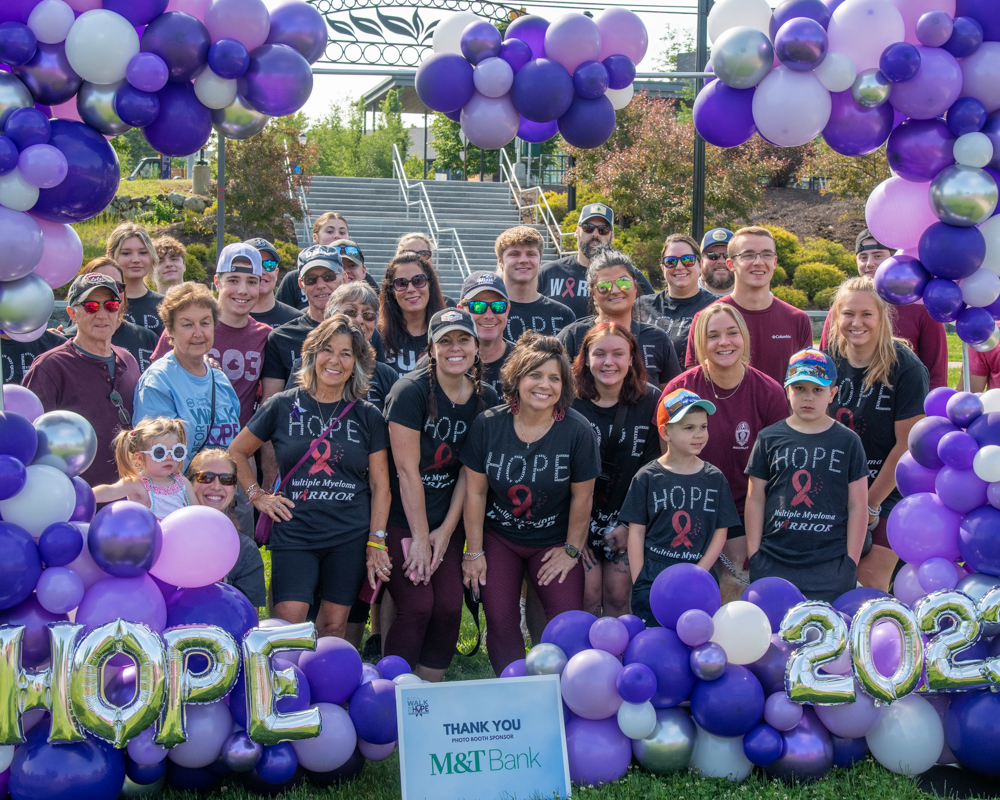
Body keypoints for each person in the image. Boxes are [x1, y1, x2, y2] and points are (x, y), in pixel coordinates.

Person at [228, 315, 391, 639]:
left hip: (349, 534)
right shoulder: (282, 405)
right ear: (312, 353)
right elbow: (236, 452)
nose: (335, 360)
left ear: (356, 362)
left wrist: (376, 540)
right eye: (328, 350)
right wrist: (257, 495)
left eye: (346, 353)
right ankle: (288, 688)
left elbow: (380, 484)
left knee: (333, 626)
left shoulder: (368, 415)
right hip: (295, 530)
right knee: (288, 625)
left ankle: (326, 689)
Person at [461, 332, 601, 675]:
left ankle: (563, 696)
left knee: (569, 622)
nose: (545, 385)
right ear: (517, 378)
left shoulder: (577, 431)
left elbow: (583, 496)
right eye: (535, 375)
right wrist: (474, 552)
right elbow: (476, 492)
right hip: (500, 539)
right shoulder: (488, 425)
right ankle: (514, 692)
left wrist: (571, 548)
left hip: (552, 539)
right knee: (500, 616)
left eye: (554, 377)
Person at [382, 309, 500, 678]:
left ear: (477, 347)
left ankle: (428, 693)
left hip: (448, 518)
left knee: (449, 607)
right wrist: (419, 537)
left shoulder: (486, 396)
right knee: (418, 605)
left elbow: (471, 473)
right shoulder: (409, 391)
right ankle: (392, 689)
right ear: (431, 349)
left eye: (463, 339)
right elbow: (406, 470)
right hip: (402, 518)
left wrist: (447, 532)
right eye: (445, 340)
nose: (455, 348)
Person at [661, 303, 788, 601]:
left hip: (748, 511)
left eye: (732, 333)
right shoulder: (680, 391)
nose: (724, 342)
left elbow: (778, 472)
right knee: (688, 597)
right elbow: (667, 466)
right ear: (700, 343)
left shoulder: (769, 393)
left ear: (744, 337)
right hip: (689, 509)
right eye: (713, 335)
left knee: (734, 588)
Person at [826, 277, 928, 591]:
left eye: (866, 314)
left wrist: (868, 504)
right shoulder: (831, 357)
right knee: (830, 578)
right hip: (838, 487)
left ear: (882, 316)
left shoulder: (906, 368)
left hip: (888, 490)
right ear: (837, 317)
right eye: (848, 313)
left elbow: (906, 447)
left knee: (867, 584)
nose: (856, 323)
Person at [744, 348, 868, 602]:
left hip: (830, 566)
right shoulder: (769, 438)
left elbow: (858, 505)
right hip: (774, 562)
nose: (807, 397)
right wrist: (755, 555)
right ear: (786, 390)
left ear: (832, 393)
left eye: (817, 390)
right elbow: (755, 498)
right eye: (799, 388)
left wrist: (850, 562)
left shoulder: (848, 441)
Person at [622, 389, 739, 627]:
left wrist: (699, 573)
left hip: (698, 573)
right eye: (689, 428)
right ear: (665, 432)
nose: (699, 435)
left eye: (703, 427)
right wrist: (640, 580)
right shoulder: (647, 477)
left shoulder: (714, 478)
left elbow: (721, 530)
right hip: (655, 574)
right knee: (655, 641)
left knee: (695, 641)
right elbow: (636, 532)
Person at [571, 322, 660, 617]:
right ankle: (581, 662)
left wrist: (629, 525)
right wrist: (576, 530)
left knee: (618, 594)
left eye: (618, 354)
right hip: (578, 516)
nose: (609, 362)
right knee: (587, 593)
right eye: (599, 354)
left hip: (627, 515)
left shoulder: (650, 401)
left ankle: (617, 660)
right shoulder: (569, 401)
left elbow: (653, 469)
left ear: (632, 358)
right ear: (586, 358)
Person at [23, 273, 140, 486]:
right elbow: (28, 442)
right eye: (91, 307)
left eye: (111, 305)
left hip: (128, 499)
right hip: (74, 502)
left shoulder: (129, 360)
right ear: (72, 313)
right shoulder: (50, 367)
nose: (102, 314)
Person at [151, 244, 270, 431]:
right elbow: (157, 383)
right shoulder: (187, 328)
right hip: (184, 444)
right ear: (216, 281)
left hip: (236, 447)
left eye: (252, 282)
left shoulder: (264, 335)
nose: (242, 290)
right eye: (233, 280)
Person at [820, 228, 947, 391]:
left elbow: (936, 376)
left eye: (878, 255)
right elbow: (825, 364)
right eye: (863, 257)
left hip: (905, 408)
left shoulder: (921, 308)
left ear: (893, 259)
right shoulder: (841, 310)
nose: (869, 263)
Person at [685, 226, 813, 385]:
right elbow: (695, 384)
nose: (758, 262)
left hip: (781, 410)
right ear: (730, 264)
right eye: (748, 255)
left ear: (774, 262)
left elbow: (806, 385)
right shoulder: (706, 319)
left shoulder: (797, 320)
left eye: (766, 255)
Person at [132, 283, 241, 466]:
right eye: (187, 324)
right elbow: (156, 460)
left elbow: (236, 448)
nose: (198, 333)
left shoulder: (220, 379)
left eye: (205, 323)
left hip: (224, 490)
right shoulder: (158, 382)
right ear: (171, 330)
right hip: (181, 492)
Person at [557, 248, 681, 387]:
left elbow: (672, 396)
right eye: (604, 286)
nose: (615, 291)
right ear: (593, 293)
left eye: (623, 282)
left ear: (635, 286)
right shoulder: (573, 337)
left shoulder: (657, 339)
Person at [538, 203, 653, 318]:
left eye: (603, 230)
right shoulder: (549, 272)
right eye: (588, 228)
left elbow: (654, 313)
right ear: (577, 231)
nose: (595, 234)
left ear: (612, 236)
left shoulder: (629, 276)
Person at [261, 245, 345, 396]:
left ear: (344, 278)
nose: (320, 285)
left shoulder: (362, 332)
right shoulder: (281, 337)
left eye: (328, 277)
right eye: (311, 279)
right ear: (301, 285)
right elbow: (271, 402)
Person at [187, 448, 266, 607]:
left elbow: (248, 620)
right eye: (206, 477)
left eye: (226, 479)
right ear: (188, 483)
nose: (216, 487)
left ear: (234, 489)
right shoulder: (166, 539)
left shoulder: (245, 550)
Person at [61, 258, 158, 373]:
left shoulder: (145, 340)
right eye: (91, 306)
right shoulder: (60, 346)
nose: (102, 315)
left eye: (117, 286)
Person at [93, 417, 193, 520]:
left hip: (181, 535)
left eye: (176, 451)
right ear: (139, 458)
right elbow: (110, 491)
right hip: (150, 535)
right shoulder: (136, 484)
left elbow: (198, 512)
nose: (169, 457)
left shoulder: (182, 483)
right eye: (159, 453)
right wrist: (84, 496)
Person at [638, 233, 718, 362]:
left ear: (700, 265)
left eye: (688, 260)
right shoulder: (642, 306)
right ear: (662, 268)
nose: (680, 267)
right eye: (671, 261)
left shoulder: (716, 308)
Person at [323, 283, 399, 410]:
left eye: (368, 315)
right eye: (350, 312)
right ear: (331, 316)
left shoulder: (387, 375)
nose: (359, 320)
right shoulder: (310, 365)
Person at [499, 226, 576, 340]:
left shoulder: (563, 314)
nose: (523, 260)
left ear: (540, 262)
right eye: (514, 254)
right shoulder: (490, 312)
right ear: (500, 261)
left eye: (531, 254)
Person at [379, 252, 446, 378]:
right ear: (392, 291)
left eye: (418, 281)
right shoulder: (378, 337)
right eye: (401, 283)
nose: (410, 289)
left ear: (429, 285)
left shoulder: (448, 334)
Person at [276, 211, 350, 308]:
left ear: (344, 278)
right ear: (315, 238)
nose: (337, 236)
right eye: (330, 231)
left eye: (342, 232)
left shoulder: (359, 275)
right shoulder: (293, 278)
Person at [458, 271, 514, 394]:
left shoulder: (525, 361)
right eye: (478, 306)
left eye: (498, 306)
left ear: (507, 311)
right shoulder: (441, 361)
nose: (489, 315)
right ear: (461, 311)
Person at [107, 222, 164, 337]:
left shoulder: (166, 305)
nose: (136, 259)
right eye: (126, 253)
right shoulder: (99, 304)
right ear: (110, 257)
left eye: (143, 253)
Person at [246, 237, 301, 329]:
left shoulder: (296, 321)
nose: (262, 272)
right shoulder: (226, 319)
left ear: (276, 272)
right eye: (254, 265)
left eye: (269, 264)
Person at [397, 233, 456, 307]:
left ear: (430, 261)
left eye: (423, 254)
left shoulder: (446, 305)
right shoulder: (385, 305)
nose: (416, 259)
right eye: (409, 253)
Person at [699, 228, 736, 296]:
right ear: (701, 261)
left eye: (727, 255)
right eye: (713, 255)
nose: (721, 261)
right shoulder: (685, 294)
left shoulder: (753, 296)